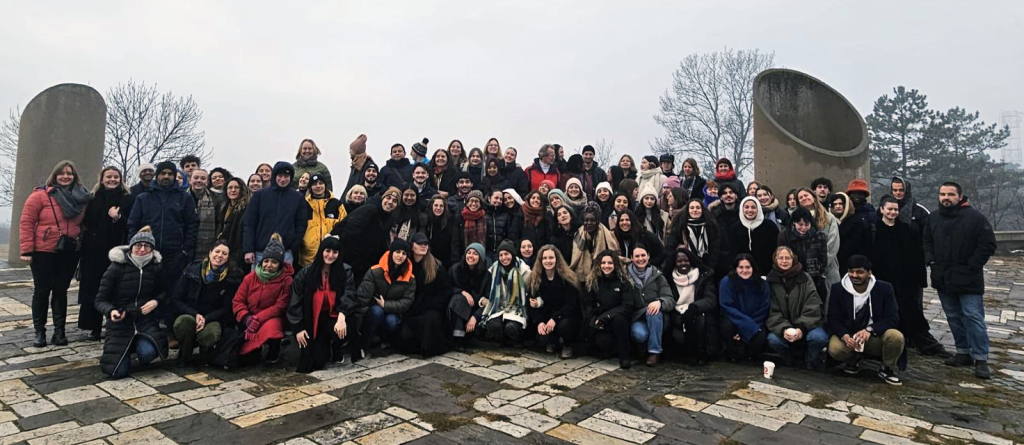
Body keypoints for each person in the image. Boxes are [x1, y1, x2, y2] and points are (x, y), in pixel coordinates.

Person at [924, 182, 997, 379]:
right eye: (942, 194)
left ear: (960, 196)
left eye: (950, 194)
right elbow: (926, 241)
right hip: (943, 276)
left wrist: (972, 265)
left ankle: (980, 358)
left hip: (968, 277)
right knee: (953, 316)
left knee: (973, 316)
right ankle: (963, 352)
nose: (946, 197)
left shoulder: (975, 218)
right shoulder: (933, 218)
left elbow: (988, 244)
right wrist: (931, 261)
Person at [20, 160, 91, 347]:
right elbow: (27, 222)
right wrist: (26, 250)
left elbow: (86, 223)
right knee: (42, 291)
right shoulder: (40, 195)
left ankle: (60, 332)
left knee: (61, 291)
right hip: (43, 251)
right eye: (62, 173)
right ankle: (40, 332)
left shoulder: (82, 197)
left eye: (69, 173)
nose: (66, 176)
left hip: (69, 251)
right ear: (55, 175)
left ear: (74, 176)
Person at [874, 196, 950, 357]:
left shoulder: (906, 230)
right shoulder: (873, 230)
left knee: (912, 312)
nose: (893, 212)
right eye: (889, 209)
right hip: (882, 280)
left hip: (904, 280)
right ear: (882, 209)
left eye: (895, 209)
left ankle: (927, 345)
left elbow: (916, 256)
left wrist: (919, 279)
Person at [95, 226, 169, 378]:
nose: (142, 249)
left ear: (152, 248)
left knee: (147, 354)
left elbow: (165, 292)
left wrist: (156, 301)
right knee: (117, 372)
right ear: (131, 247)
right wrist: (111, 311)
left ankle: (136, 344)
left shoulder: (156, 267)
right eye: (138, 245)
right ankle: (127, 347)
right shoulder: (116, 268)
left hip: (145, 320)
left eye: (147, 246)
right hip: (121, 322)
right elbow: (100, 299)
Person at [827, 255, 906, 385]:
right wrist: (844, 335)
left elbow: (892, 318)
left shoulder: (884, 288)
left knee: (896, 337)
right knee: (835, 348)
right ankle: (852, 360)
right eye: (851, 271)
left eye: (859, 272)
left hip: (874, 336)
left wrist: (870, 329)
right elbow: (833, 318)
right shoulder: (838, 289)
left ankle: (887, 367)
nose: (854, 275)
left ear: (869, 273)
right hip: (850, 335)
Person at [128, 160, 198, 308]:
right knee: (148, 290)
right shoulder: (143, 198)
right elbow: (133, 224)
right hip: (148, 253)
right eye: (163, 173)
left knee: (172, 291)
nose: (166, 176)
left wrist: (185, 249)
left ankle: (169, 319)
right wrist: (135, 247)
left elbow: (192, 225)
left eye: (170, 174)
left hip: (175, 254)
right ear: (157, 175)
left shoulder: (184, 198)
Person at [78, 166, 134, 341]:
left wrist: (117, 218)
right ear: (102, 179)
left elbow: (132, 223)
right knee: (93, 288)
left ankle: (115, 323)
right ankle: (94, 326)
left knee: (116, 287)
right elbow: (86, 222)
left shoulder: (128, 198)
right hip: (93, 251)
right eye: (108, 176)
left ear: (121, 179)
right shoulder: (93, 198)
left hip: (117, 249)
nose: (112, 180)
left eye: (116, 177)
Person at [289, 236, 355, 372]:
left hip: (335, 316)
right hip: (313, 319)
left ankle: (337, 347)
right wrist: (298, 328)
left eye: (335, 252)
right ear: (321, 251)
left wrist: (342, 317)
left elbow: (349, 294)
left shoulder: (345, 271)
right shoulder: (306, 273)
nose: (330, 255)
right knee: (316, 362)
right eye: (328, 251)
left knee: (343, 330)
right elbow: (295, 301)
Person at [171, 242, 243, 365]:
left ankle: (206, 352)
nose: (220, 255)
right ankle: (184, 354)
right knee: (183, 323)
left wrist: (206, 318)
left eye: (224, 253)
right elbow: (176, 299)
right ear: (210, 253)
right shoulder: (191, 270)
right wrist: (195, 314)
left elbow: (227, 308)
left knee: (210, 334)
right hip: (191, 313)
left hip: (213, 318)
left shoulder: (232, 277)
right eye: (217, 251)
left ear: (228, 258)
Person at [233, 234, 293, 365]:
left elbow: (280, 306)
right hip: (249, 318)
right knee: (246, 357)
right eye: (266, 261)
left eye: (274, 262)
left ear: (280, 264)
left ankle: (274, 347)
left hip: (271, 318)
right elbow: (238, 301)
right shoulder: (250, 278)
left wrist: (258, 318)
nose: (269, 265)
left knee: (273, 329)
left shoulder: (286, 280)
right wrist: (246, 317)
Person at [766, 246, 827, 370]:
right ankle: (788, 358)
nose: (784, 261)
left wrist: (801, 327)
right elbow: (772, 311)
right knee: (773, 340)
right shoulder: (770, 281)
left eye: (787, 258)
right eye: (781, 258)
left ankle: (810, 360)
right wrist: (784, 328)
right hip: (783, 327)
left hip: (807, 325)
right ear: (775, 260)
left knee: (819, 338)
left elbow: (813, 306)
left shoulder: (805, 278)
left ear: (793, 259)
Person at [353, 239, 416, 358]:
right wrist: (356, 326)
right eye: (397, 252)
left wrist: (385, 305)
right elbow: (362, 298)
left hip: (393, 312)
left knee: (391, 321)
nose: (400, 256)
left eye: (404, 253)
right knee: (377, 312)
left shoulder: (410, 278)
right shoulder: (375, 271)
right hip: (373, 310)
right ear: (391, 252)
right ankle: (363, 344)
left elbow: (407, 301)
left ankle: (384, 341)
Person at [397, 234, 451, 357]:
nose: (423, 246)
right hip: (412, 307)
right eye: (420, 243)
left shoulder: (437, 266)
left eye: (425, 244)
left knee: (429, 323)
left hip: (432, 307)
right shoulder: (406, 265)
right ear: (412, 246)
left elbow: (445, 292)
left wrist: (429, 303)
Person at [243, 161, 307, 266]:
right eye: (280, 176)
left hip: (286, 252)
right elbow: (249, 223)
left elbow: (301, 224)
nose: (283, 179)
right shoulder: (260, 195)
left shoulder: (298, 198)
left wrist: (294, 245)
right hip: (260, 252)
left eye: (286, 176)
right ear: (274, 176)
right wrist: (248, 249)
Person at [332, 187, 401, 282]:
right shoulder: (370, 209)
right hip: (348, 261)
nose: (390, 202)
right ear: (382, 198)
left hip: (363, 265)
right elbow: (348, 233)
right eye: (388, 198)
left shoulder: (388, 219)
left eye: (394, 201)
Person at [664, 248, 718, 365]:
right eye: (679, 261)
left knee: (701, 320)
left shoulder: (703, 276)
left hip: (697, 312)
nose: (683, 263)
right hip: (677, 314)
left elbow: (710, 299)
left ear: (691, 261)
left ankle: (702, 353)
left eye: (686, 260)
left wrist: (693, 308)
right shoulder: (668, 278)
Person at [584, 250, 636, 368]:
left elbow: (627, 306)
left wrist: (607, 316)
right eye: (603, 263)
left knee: (619, 320)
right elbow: (588, 304)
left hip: (618, 320)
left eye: (610, 263)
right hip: (601, 321)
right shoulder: (592, 282)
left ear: (615, 264)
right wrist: (593, 321)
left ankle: (624, 356)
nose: (606, 266)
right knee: (603, 342)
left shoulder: (624, 282)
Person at [527, 245, 580, 358]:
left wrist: (555, 318)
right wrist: (540, 322)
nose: (548, 261)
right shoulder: (535, 279)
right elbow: (532, 304)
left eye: (551, 258)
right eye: (545, 258)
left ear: (557, 259)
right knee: (542, 338)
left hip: (565, 316)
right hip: (546, 316)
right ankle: (553, 341)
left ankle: (567, 344)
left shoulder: (567, 278)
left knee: (564, 327)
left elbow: (571, 305)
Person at [478, 240, 532, 346]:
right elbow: (487, 290)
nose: (503, 258)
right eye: (501, 255)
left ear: (512, 254)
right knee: (494, 326)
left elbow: (530, 292)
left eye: (506, 254)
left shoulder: (524, 271)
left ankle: (515, 339)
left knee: (511, 328)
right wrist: (483, 300)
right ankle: (501, 340)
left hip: (517, 309)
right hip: (498, 307)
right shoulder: (494, 269)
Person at [718, 254, 770, 362]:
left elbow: (764, 308)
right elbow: (727, 306)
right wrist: (743, 325)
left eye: (748, 267)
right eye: (741, 267)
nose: (744, 270)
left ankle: (749, 356)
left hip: (755, 321)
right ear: (736, 268)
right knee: (727, 327)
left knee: (760, 338)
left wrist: (748, 327)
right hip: (733, 319)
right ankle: (731, 355)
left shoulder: (762, 284)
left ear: (753, 268)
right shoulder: (727, 282)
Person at [628, 244, 674, 366]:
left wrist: (659, 302)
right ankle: (642, 348)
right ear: (631, 258)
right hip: (638, 317)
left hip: (657, 318)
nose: (640, 259)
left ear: (648, 256)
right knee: (639, 334)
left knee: (653, 311)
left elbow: (670, 299)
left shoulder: (658, 276)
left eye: (643, 255)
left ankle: (655, 352)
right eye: (637, 256)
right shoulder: (625, 276)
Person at [777, 208, 829, 305]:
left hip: (815, 278)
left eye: (806, 224)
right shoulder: (785, 236)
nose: (803, 228)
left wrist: (820, 272)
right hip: (793, 277)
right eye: (800, 224)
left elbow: (823, 258)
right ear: (794, 223)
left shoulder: (819, 236)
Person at [447, 243, 490, 351]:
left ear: (480, 257)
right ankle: (458, 336)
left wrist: (475, 317)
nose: (471, 256)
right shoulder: (455, 270)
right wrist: (462, 292)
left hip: (476, 308)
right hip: (456, 308)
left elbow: (488, 299)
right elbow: (447, 288)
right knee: (458, 299)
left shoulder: (486, 276)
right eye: (469, 252)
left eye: (475, 254)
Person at [797, 187, 840, 291]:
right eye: (800, 197)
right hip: (806, 268)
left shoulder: (829, 218)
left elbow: (833, 241)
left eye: (806, 195)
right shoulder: (796, 220)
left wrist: (822, 264)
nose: (804, 198)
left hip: (829, 266)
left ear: (813, 197)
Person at [665, 199, 721, 271]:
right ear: (688, 210)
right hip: (685, 265)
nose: (695, 210)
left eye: (698, 208)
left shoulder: (710, 226)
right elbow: (670, 246)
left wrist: (710, 268)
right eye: (692, 208)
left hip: (706, 265)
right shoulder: (680, 225)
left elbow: (715, 248)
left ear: (702, 210)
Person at [729, 196, 779, 276]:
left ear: (758, 209)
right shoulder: (735, 228)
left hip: (767, 274)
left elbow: (776, 251)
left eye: (753, 207)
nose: (750, 210)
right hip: (743, 273)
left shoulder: (770, 226)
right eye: (746, 207)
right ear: (742, 209)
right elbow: (732, 254)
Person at [300, 174, 342, 267]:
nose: (318, 186)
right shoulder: (304, 205)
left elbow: (343, 225)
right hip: (308, 256)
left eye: (321, 183)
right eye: (314, 184)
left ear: (325, 185)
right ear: (310, 187)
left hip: (330, 255)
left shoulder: (336, 204)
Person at [571, 205, 619, 285]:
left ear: (598, 221)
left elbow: (615, 254)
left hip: (604, 275)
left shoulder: (608, 235)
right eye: (586, 220)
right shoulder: (578, 235)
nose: (589, 223)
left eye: (592, 220)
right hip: (581, 278)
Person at [830, 192, 871, 276]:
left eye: (841, 203)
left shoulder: (858, 222)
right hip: (834, 264)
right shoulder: (828, 222)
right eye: (835, 204)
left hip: (853, 265)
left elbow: (865, 245)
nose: (838, 206)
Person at [189, 169, 225, 259]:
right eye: (196, 177)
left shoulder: (214, 199)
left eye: (203, 178)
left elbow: (218, 222)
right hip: (184, 243)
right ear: (190, 180)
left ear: (207, 181)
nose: (199, 180)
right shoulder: (181, 197)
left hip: (207, 244)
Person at [219, 177, 250, 269]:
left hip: (238, 252)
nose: (233, 190)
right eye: (230, 187)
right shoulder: (224, 207)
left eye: (236, 187)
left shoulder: (246, 208)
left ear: (242, 190)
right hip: (224, 248)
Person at [425, 195, 457, 266]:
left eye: (441, 206)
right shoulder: (426, 220)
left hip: (446, 258)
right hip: (429, 257)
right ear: (432, 206)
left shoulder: (451, 220)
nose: (438, 208)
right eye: (436, 205)